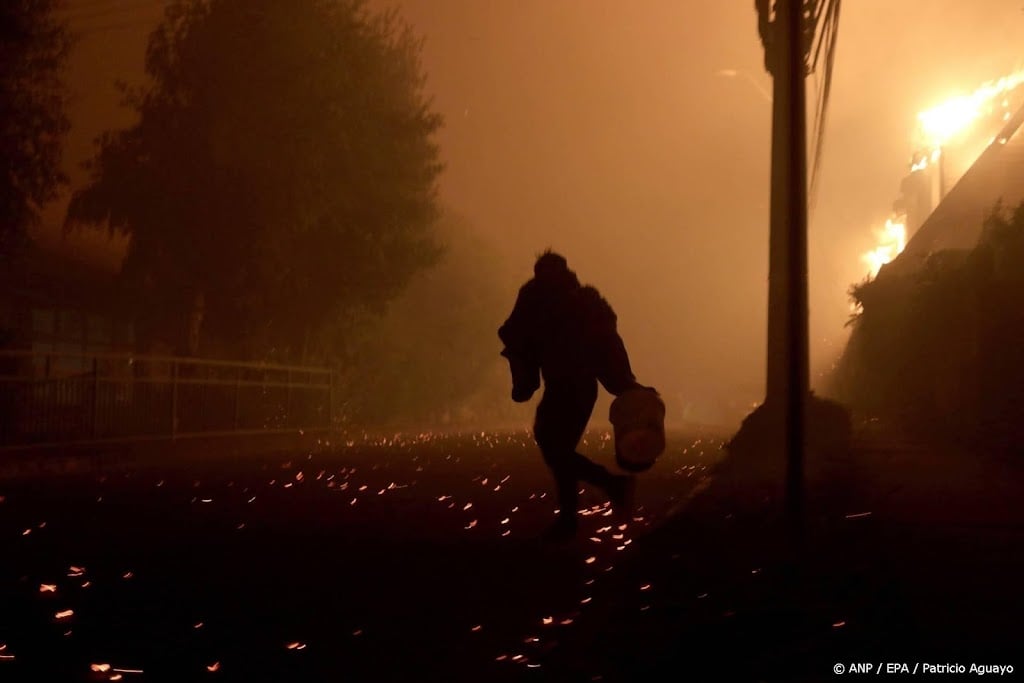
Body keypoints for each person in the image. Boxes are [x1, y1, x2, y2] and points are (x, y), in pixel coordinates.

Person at [498, 250, 639, 541]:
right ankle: (574, 514)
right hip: (570, 387)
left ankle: (604, 490)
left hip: (573, 387)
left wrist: (625, 384)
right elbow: (519, 338)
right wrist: (624, 383)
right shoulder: (560, 299)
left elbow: (518, 337)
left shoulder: (569, 302)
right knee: (558, 449)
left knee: (556, 448)